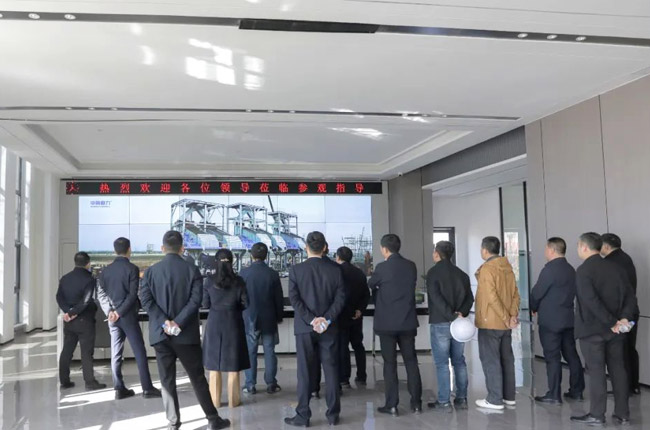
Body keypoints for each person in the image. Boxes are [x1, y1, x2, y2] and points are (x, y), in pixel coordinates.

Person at [139, 231, 229, 430]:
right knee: (197, 378)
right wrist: (177, 323)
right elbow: (196, 301)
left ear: (162, 248)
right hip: (186, 335)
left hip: (160, 335)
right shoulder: (192, 270)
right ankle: (213, 419)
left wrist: (165, 322)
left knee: (167, 380)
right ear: (182, 248)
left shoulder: (151, 272)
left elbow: (146, 301)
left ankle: (173, 422)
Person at [570, 233, 637, 427]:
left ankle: (597, 414)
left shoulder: (583, 270)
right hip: (616, 332)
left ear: (584, 247)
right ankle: (623, 414)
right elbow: (630, 297)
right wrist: (622, 319)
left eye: (578, 245)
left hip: (593, 331)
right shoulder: (617, 268)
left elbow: (591, 301)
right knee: (618, 370)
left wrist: (611, 322)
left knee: (596, 372)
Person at [285, 232, 346, 427]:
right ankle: (333, 415)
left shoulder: (296, 270)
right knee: (331, 370)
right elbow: (340, 299)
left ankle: (303, 416)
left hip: (305, 328)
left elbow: (294, 299)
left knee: (304, 371)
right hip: (329, 328)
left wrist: (311, 320)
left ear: (306, 248)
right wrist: (326, 320)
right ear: (325, 248)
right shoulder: (336, 270)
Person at [97, 237, 161, 400]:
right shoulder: (132, 269)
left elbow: (101, 294)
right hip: (128, 317)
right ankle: (147, 388)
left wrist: (110, 312)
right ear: (129, 249)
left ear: (114, 250)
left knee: (116, 353)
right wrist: (119, 312)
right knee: (139, 351)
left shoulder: (105, 271)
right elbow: (132, 295)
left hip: (112, 318)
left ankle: (119, 388)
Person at [369, 234, 422, 416]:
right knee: (411, 361)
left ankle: (392, 405)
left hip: (387, 324)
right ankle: (416, 403)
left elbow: (371, 283)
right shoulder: (411, 266)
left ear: (384, 249)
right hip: (407, 322)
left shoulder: (382, 267)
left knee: (389, 364)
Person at [530, 237, 584, 404]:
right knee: (571, 355)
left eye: (546, 248)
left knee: (552, 357)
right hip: (568, 320)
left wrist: (533, 307)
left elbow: (537, 293)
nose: (545, 252)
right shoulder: (571, 269)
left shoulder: (549, 270)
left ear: (552, 250)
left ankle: (553, 394)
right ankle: (577, 391)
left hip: (550, 322)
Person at [425, 241, 474, 412]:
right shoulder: (462, 274)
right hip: (459, 325)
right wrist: (460, 313)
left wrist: (450, 315)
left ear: (437, 254)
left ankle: (444, 401)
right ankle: (461, 399)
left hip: (440, 322)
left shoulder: (433, 273)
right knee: (459, 361)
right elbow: (470, 298)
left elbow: (436, 298)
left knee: (442, 363)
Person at [474, 236, 520, 411]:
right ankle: (509, 397)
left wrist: (505, 317)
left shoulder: (487, 268)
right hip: (505, 325)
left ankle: (494, 399)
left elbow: (491, 297)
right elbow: (515, 293)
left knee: (490, 360)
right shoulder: (507, 267)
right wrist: (512, 315)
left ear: (485, 250)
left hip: (490, 322)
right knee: (506, 359)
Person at [203, 249, 250, 408]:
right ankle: (233, 401)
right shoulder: (239, 281)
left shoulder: (209, 281)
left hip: (214, 323)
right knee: (233, 364)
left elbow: (205, 304)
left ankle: (215, 401)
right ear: (232, 261)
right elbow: (246, 303)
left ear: (216, 261)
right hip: (233, 322)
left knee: (214, 365)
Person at [56, 252, 106, 391]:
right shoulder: (90, 279)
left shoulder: (65, 278)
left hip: (69, 321)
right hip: (85, 320)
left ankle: (64, 381)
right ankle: (90, 382)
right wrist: (73, 313)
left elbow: (59, 297)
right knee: (86, 352)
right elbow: (86, 301)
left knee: (67, 350)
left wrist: (68, 312)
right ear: (88, 263)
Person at [240, 242, 284, 395]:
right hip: (269, 318)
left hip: (250, 318)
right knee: (269, 351)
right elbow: (278, 299)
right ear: (266, 256)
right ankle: (271, 384)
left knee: (250, 352)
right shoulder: (272, 274)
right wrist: (279, 316)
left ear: (251, 255)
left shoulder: (243, 273)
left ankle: (250, 385)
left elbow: (240, 297)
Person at [601, 233, 641, 395]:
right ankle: (633, 385)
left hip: (619, 314)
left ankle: (624, 388)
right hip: (631, 312)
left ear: (606, 246)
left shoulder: (609, 263)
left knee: (620, 352)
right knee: (630, 349)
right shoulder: (626, 259)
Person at [335, 246, 370, 388]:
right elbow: (366, 295)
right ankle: (361, 376)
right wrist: (360, 310)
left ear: (338, 257)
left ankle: (344, 378)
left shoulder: (336, 272)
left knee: (343, 347)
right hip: (356, 316)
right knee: (358, 346)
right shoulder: (359, 273)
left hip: (341, 316)